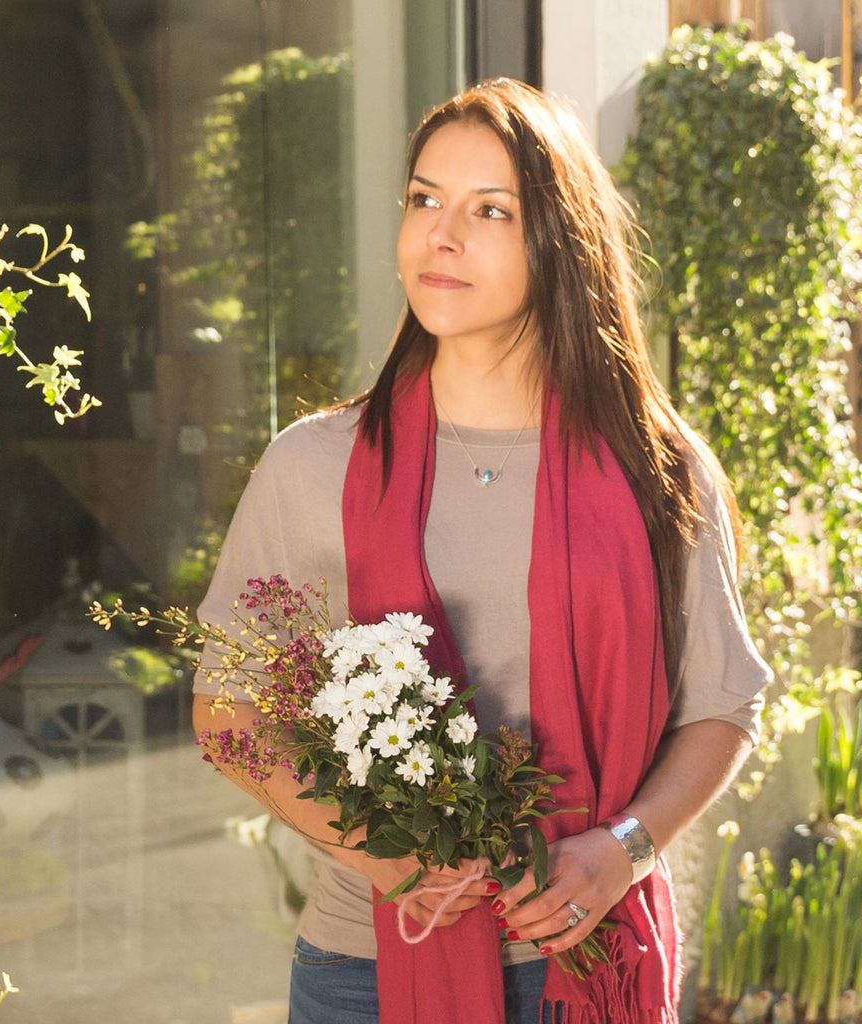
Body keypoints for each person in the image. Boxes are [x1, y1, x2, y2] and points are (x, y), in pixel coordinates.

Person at [191, 78, 771, 1024]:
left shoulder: (657, 471)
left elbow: (724, 704)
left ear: (560, 242)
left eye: (489, 210)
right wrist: (386, 855)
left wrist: (623, 846)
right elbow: (227, 713)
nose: (439, 236)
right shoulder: (313, 466)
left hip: (583, 957)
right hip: (369, 969)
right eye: (424, 199)